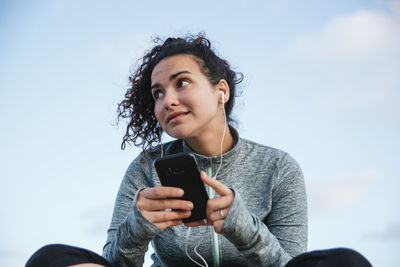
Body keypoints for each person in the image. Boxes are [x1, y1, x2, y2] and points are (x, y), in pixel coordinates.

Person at [26, 33, 372, 267]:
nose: (168, 100)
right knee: (51, 259)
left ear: (221, 90)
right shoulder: (147, 167)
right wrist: (138, 226)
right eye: (158, 92)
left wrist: (244, 227)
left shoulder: (277, 167)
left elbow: (292, 264)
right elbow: (116, 264)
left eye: (182, 83)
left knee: (344, 261)